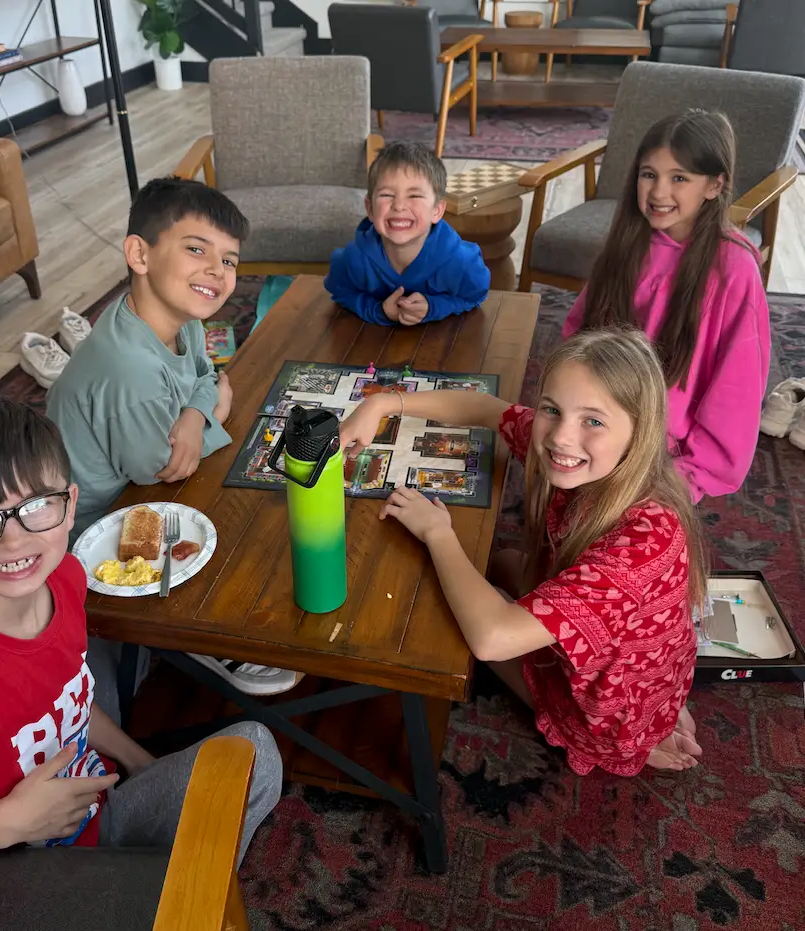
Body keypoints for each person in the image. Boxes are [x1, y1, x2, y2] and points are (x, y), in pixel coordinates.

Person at [0, 396, 282, 876]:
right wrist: (9, 824)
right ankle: (165, 900)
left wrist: (138, 761)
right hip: (8, 872)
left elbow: (68, 699)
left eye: (35, 506)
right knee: (253, 751)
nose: (13, 540)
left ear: (69, 506)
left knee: (246, 753)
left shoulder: (65, 578)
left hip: (88, 802)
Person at [339, 329, 708, 776]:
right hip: (638, 664)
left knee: (462, 618)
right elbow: (485, 408)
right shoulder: (583, 450)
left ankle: (627, 739)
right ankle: (652, 716)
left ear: (640, 433)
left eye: (593, 421)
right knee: (501, 562)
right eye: (552, 409)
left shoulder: (646, 541)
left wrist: (439, 533)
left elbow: (492, 638)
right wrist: (382, 403)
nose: (561, 438)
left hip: (603, 708)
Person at [46, 177, 299, 700]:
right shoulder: (129, 372)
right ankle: (197, 637)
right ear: (139, 254)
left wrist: (195, 413)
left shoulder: (175, 317)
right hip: (90, 529)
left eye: (229, 260)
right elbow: (165, 468)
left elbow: (211, 379)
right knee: (245, 514)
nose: (217, 271)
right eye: (195, 249)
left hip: (136, 480)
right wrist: (211, 413)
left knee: (257, 491)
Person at [562, 109, 770, 503]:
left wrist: (689, 475)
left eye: (679, 178)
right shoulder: (627, 243)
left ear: (714, 185)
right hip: (600, 423)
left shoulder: (733, 270)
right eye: (648, 174)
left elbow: (736, 387)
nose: (658, 192)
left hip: (667, 453)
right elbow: (579, 335)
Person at [324, 141, 490, 326]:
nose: (399, 205)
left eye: (414, 196)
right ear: (370, 209)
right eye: (387, 195)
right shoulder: (352, 259)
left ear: (437, 210)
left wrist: (433, 307)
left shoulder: (463, 263)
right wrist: (379, 311)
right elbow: (341, 292)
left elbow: (476, 295)